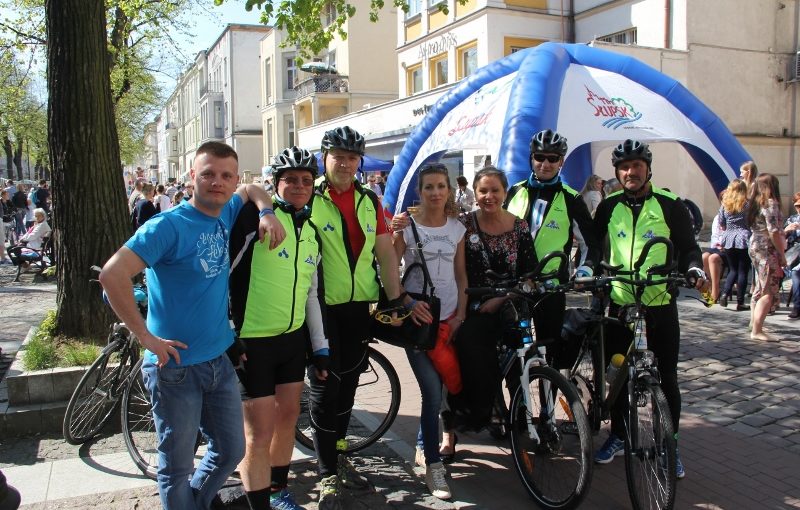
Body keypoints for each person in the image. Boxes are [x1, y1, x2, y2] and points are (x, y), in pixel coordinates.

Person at [98, 141, 286, 510]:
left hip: (218, 360)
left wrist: (267, 212)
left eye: (226, 176)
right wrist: (146, 338)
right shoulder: (167, 226)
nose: (218, 182)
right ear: (192, 177)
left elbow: (252, 190)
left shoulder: (227, 210)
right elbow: (112, 274)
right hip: (175, 368)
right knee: (176, 467)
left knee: (231, 449)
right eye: (208, 174)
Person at [593, 139, 707, 480]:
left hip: (659, 303)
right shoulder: (608, 206)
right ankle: (618, 434)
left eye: (636, 165)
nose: (630, 172)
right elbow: (593, 247)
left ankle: (669, 446)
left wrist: (695, 269)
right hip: (620, 303)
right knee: (616, 376)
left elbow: (688, 248)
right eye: (624, 167)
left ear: (647, 168)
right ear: (617, 172)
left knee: (667, 378)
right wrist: (589, 271)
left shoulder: (671, 205)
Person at [308, 126, 406, 509]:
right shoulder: (308, 196)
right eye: (338, 156)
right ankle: (326, 474)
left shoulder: (369, 199)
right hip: (320, 307)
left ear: (359, 162)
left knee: (348, 384)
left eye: (352, 157)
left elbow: (385, 255)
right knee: (323, 389)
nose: (345, 163)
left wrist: (394, 302)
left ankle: (341, 453)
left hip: (358, 308)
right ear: (325, 157)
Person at [229, 147, 329, 510]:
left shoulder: (313, 232)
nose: (300, 186)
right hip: (252, 341)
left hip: (291, 342)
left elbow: (312, 294)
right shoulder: (253, 220)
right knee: (258, 433)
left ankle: (277, 492)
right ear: (276, 183)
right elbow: (223, 277)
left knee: (287, 418)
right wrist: (228, 332)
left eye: (307, 180)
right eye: (291, 180)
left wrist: (320, 348)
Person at [443, 165, 538, 452]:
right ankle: (469, 418)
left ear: (505, 192)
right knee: (469, 352)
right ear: (475, 192)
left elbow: (529, 274)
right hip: (474, 305)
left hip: (511, 306)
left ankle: (520, 415)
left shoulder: (519, 226)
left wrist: (505, 297)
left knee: (522, 358)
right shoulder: (463, 225)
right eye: (483, 190)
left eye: (495, 190)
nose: (489, 196)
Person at [392, 164, 467, 501]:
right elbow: (390, 273)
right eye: (428, 187)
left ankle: (426, 440)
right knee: (432, 392)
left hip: (449, 319)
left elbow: (461, 276)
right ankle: (434, 467)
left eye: (441, 186)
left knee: (449, 387)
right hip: (418, 323)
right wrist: (407, 302)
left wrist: (460, 315)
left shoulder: (457, 229)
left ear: (449, 190)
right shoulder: (405, 229)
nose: (435, 193)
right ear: (419, 192)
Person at [504, 129, 600, 345]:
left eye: (552, 159)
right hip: (516, 284)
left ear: (561, 162)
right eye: (539, 157)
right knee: (513, 352)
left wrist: (584, 272)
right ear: (531, 158)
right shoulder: (515, 191)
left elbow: (590, 245)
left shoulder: (571, 199)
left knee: (551, 352)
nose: (545, 164)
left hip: (552, 286)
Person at [746, 173, 786, 340]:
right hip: (766, 249)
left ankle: (754, 323)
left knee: (759, 287)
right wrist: (782, 254)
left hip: (755, 245)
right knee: (768, 290)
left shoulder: (755, 203)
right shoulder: (770, 204)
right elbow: (774, 232)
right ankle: (757, 330)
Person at [718, 179, 751, 310]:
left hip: (728, 237)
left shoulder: (725, 204)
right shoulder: (746, 204)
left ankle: (725, 293)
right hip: (743, 237)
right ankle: (740, 301)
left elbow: (721, 222)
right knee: (743, 271)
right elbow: (749, 222)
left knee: (732, 269)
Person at [702, 212, 725, 304]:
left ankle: (716, 291)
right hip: (717, 246)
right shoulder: (718, 217)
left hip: (729, 247)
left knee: (713, 258)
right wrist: (718, 244)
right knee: (704, 257)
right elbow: (715, 235)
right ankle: (710, 287)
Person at [784, 192, 800, 319]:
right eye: (797, 206)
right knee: (796, 273)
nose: (799, 208)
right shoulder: (792, 219)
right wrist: (787, 230)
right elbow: (780, 237)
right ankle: (797, 306)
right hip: (794, 254)